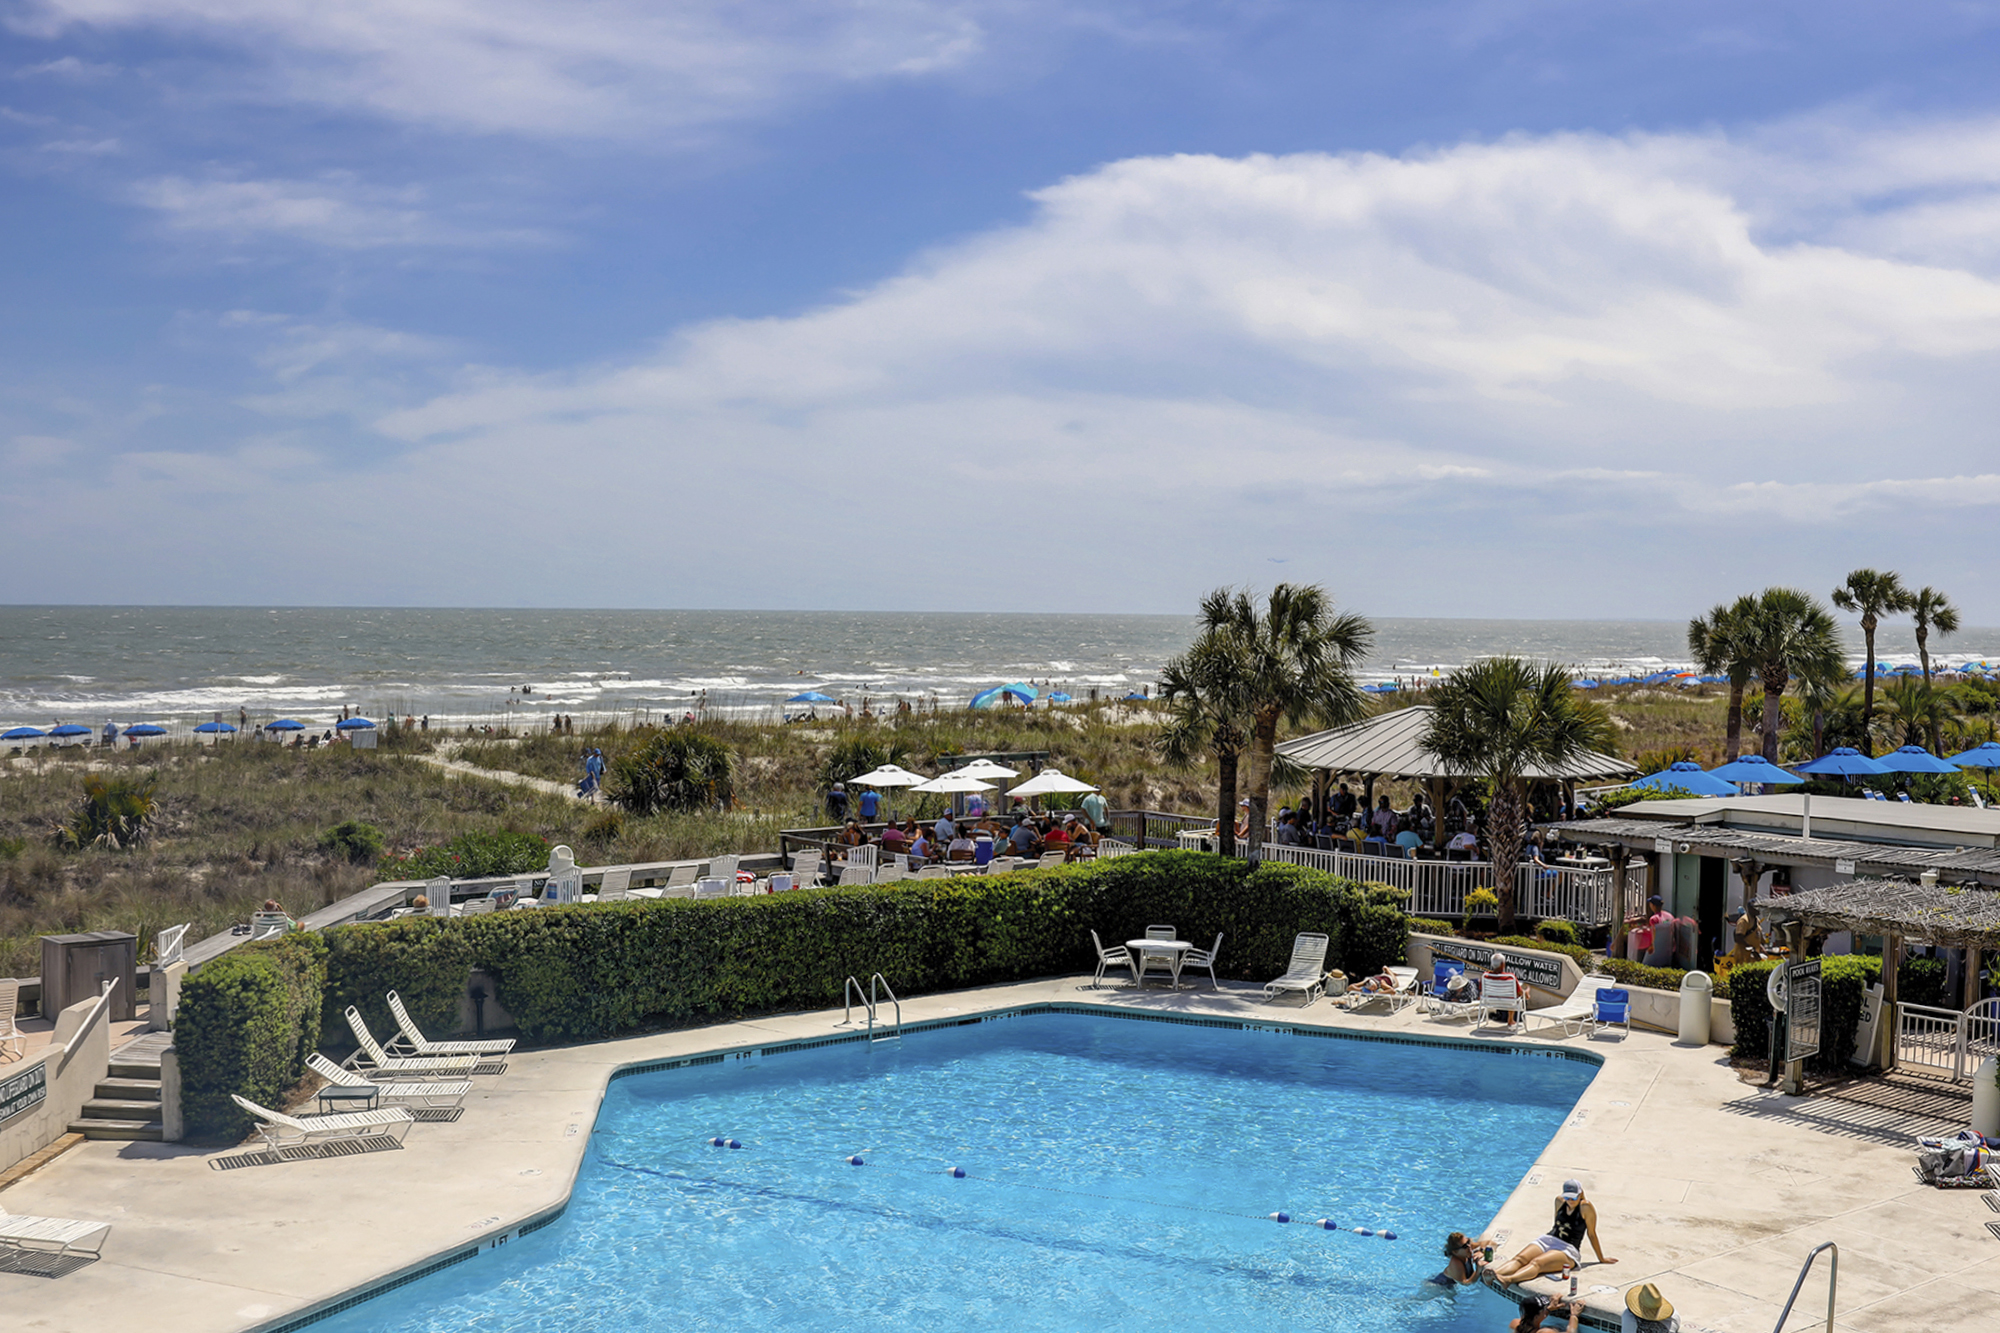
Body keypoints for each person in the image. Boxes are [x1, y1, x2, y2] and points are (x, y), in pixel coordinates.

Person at [1492, 1180, 1616, 1285]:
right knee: (1520, 1259)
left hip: (1568, 1249)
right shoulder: (1559, 1201)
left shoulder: (1586, 1207)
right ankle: (1494, 1274)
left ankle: (1509, 1280)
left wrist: (1601, 1258)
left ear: (1581, 1194)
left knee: (1537, 1263)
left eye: (1574, 1197)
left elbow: (1592, 1234)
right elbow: (1556, 1224)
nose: (1570, 1200)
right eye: (1567, 1197)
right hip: (1550, 1239)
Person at [1511, 1295, 1581, 1333]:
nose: (1546, 1309)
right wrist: (1574, 1315)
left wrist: (1548, 1310)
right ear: (1536, 1317)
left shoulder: (1515, 1324)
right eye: (1544, 1309)